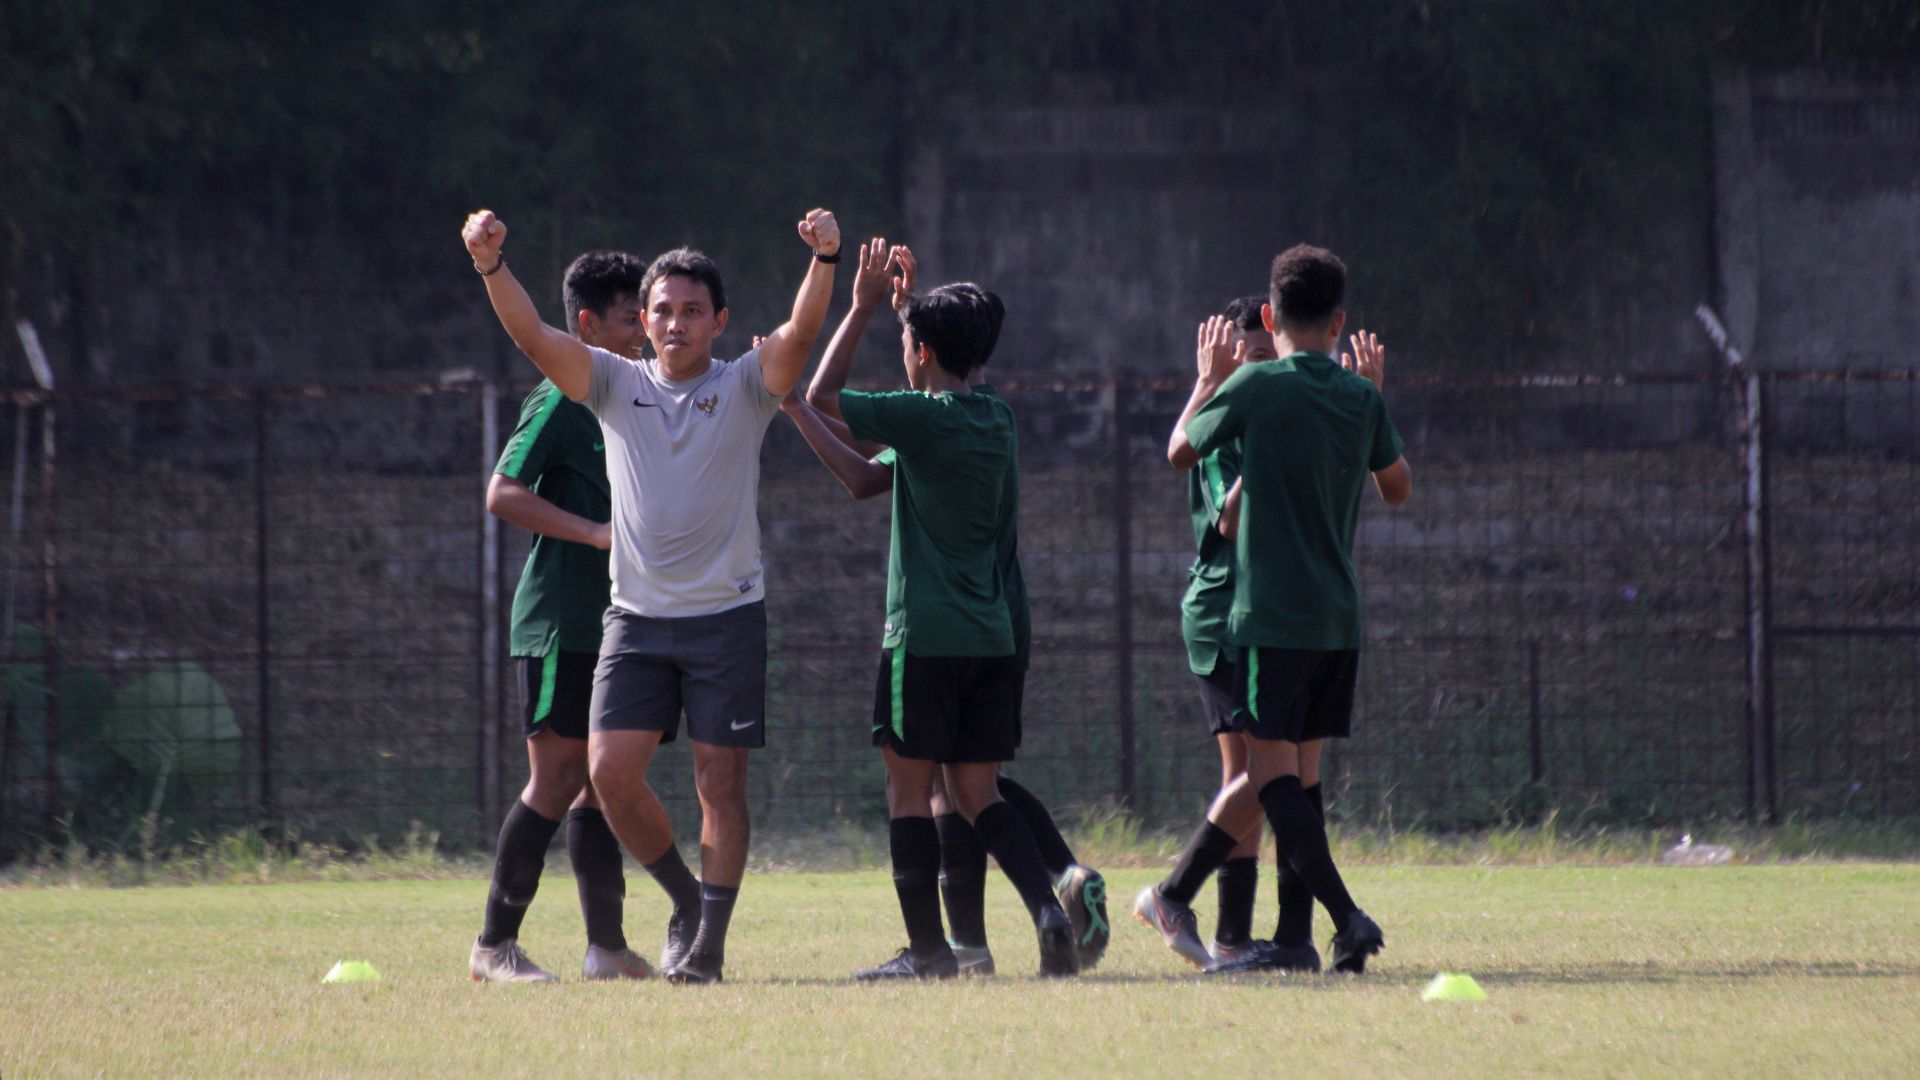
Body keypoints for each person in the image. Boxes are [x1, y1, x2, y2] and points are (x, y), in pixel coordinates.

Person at [460, 206, 842, 985]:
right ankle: (683, 899)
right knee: (607, 774)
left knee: (718, 787)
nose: (672, 323)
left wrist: (825, 259)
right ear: (644, 316)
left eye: (690, 311)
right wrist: (491, 266)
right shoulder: (611, 383)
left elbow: (801, 336)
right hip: (633, 621)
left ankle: (706, 950)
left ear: (719, 321)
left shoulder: (744, 385)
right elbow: (534, 335)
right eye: (660, 309)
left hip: (726, 618)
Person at [779, 242, 1109, 976]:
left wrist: (863, 305)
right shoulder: (992, 418)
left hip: (923, 637)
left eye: (909, 344)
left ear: (921, 351)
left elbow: (831, 393)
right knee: (974, 790)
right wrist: (803, 409)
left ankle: (930, 952)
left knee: (908, 791)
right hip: (990, 636)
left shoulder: (922, 420)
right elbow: (869, 481)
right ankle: (1049, 910)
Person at [1139, 244, 1411, 975]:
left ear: (1269, 315)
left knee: (1269, 776)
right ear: (1340, 321)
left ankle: (1342, 918)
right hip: (1338, 619)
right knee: (1302, 776)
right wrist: (1372, 400)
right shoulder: (1360, 398)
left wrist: (1208, 385)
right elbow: (1399, 489)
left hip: (1270, 616)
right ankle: (1292, 941)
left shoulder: (1257, 388)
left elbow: (1180, 454)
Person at [469, 251, 656, 983]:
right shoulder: (560, 395)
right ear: (587, 324)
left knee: (600, 783)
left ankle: (605, 948)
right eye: (628, 316)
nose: (644, 329)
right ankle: (492, 946)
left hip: (617, 620)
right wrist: (596, 532)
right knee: (555, 780)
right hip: (559, 622)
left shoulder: (634, 395)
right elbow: (502, 492)